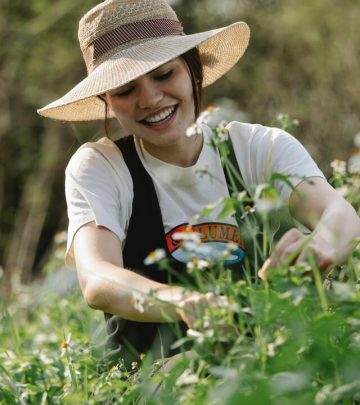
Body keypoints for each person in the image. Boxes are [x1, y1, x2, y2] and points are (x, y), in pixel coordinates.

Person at [38, 0, 360, 366]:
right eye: (126, 90)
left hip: (264, 368)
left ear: (193, 70)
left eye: (163, 74)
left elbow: (340, 215)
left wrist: (319, 246)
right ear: (106, 100)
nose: (150, 98)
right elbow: (96, 278)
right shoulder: (101, 166)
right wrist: (181, 302)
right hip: (151, 380)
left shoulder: (257, 147)